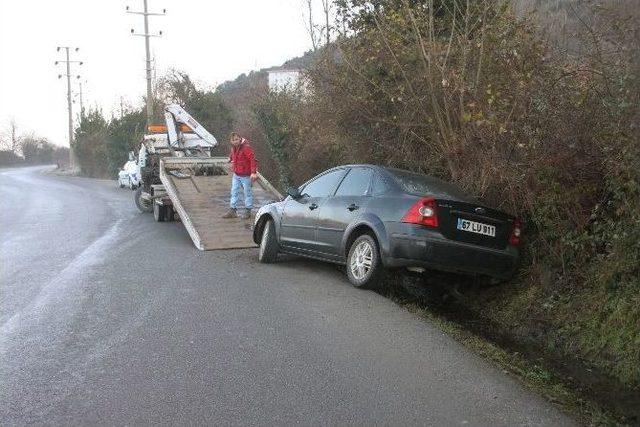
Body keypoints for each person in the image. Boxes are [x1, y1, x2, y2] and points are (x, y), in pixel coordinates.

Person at [222, 132, 258, 219]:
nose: (235, 141)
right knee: (234, 191)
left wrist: (253, 172)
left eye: (236, 139)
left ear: (240, 139)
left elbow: (252, 159)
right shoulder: (233, 148)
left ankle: (248, 210)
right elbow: (233, 155)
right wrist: (229, 158)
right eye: (233, 140)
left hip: (246, 175)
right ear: (231, 141)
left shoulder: (246, 148)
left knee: (247, 193)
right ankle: (232, 210)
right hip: (236, 175)